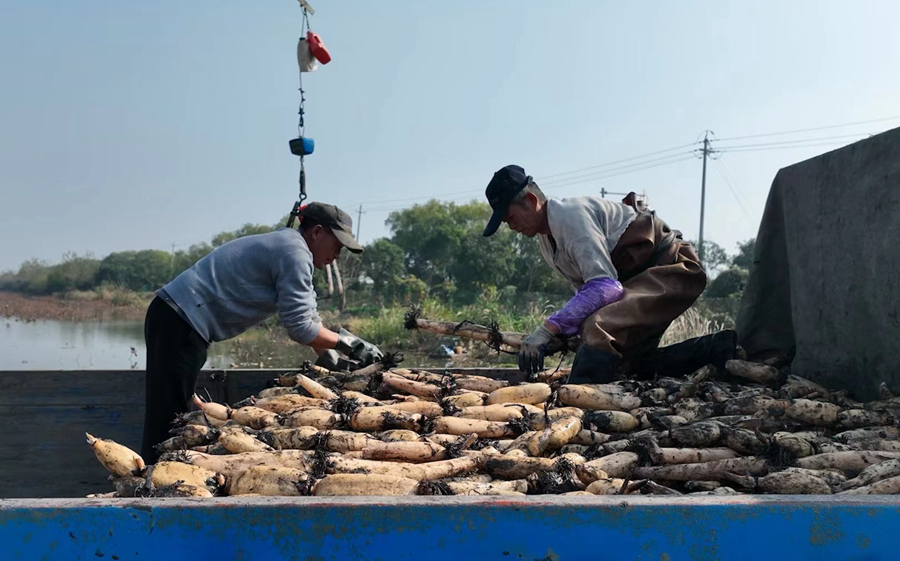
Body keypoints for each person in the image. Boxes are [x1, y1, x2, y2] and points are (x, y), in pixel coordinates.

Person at [141, 202, 382, 461]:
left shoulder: (290, 246)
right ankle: (155, 482)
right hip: (179, 319)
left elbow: (310, 315)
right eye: (338, 244)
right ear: (317, 232)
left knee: (171, 406)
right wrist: (351, 344)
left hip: (178, 319)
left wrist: (330, 358)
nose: (338, 254)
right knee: (169, 413)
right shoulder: (294, 252)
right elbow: (299, 327)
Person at [482, 164, 737, 384]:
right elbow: (586, 293)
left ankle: (579, 404)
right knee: (628, 366)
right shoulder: (546, 242)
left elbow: (605, 288)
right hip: (635, 280)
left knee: (599, 328)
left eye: (510, 217)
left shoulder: (570, 217)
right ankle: (716, 349)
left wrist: (548, 328)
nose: (512, 227)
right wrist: (565, 334)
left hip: (669, 270)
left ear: (530, 201)